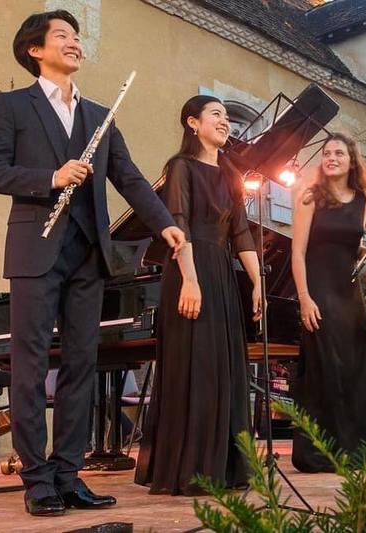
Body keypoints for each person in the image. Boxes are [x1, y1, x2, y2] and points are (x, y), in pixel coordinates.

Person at [0, 10, 185, 516]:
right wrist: (50, 176)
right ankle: (37, 479)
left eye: (76, 36)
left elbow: (129, 177)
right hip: (35, 249)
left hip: (89, 253)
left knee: (82, 366)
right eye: (62, 36)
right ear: (35, 50)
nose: (74, 42)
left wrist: (165, 223)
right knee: (28, 367)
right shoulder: (12, 105)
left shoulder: (99, 114)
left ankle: (69, 476)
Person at [134, 95, 262, 495]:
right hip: (188, 269)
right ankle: (191, 468)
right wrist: (189, 279)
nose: (225, 122)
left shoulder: (230, 173)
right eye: (216, 115)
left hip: (222, 273)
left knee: (225, 367)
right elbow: (178, 224)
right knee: (197, 366)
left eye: (227, 116)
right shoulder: (180, 167)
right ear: (193, 123)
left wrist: (257, 282)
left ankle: (225, 466)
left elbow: (241, 232)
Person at [290, 132, 366, 473]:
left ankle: (359, 448)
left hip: (349, 293)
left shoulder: (362, 201)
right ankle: (323, 450)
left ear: (351, 160)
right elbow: (298, 252)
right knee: (326, 365)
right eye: (327, 152)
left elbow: (351, 249)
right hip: (319, 288)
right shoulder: (309, 196)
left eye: (339, 153)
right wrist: (304, 298)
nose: (331, 157)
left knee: (358, 366)